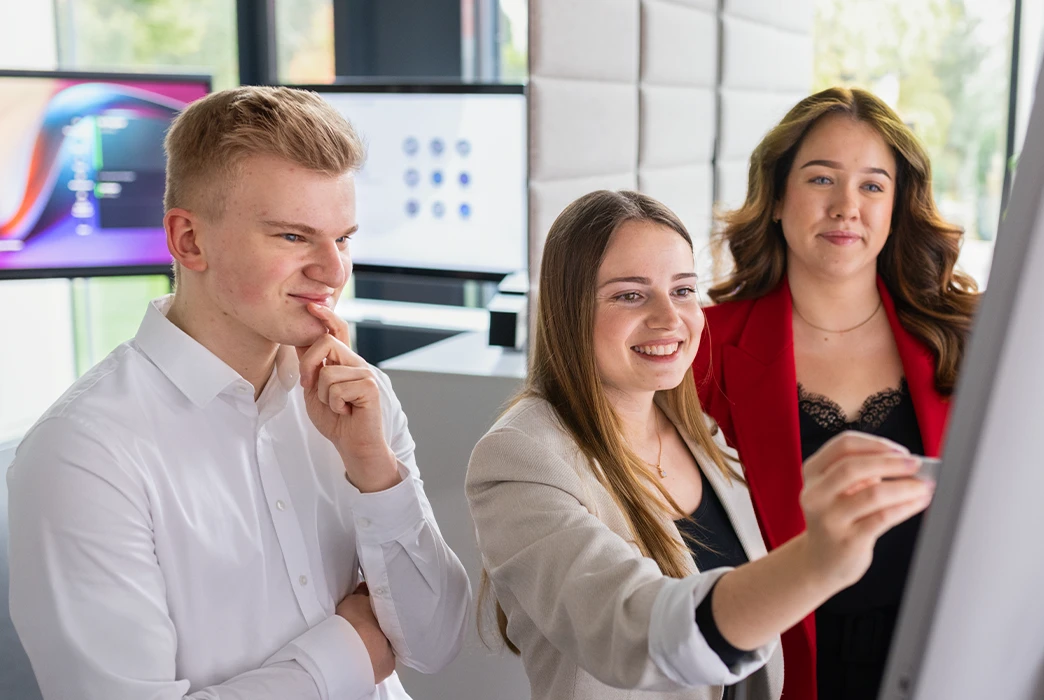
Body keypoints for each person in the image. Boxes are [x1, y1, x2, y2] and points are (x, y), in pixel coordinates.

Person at [7, 86, 472, 700]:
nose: (333, 272)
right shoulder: (84, 454)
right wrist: (349, 650)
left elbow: (435, 645)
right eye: (292, 237)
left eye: (343, 238)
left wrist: (375, 473)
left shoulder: (359, 398)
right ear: (189, 241)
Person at [466, 189, 934, 700]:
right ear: (568, 309)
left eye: (684, 290)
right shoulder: (520, 458)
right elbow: (632, 632)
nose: (671, 318)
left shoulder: (701, 435)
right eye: (630, 294)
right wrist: (814, 562)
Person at [694, 87, 981, 699]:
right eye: (822, 179)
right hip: (779, 676)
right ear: (775, 198)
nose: (847, 206)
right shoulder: (705, 348)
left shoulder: (969, 338)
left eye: (874, 185)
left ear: (897, 205)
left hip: (943, 670)